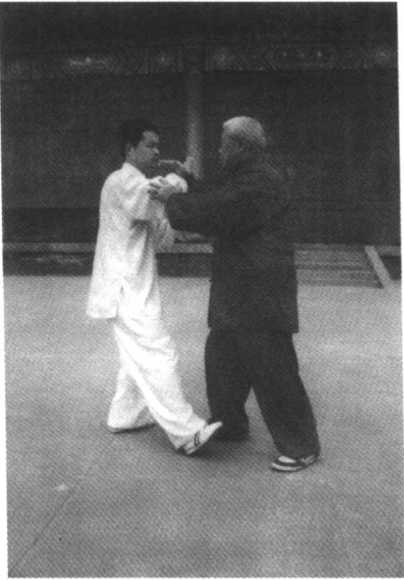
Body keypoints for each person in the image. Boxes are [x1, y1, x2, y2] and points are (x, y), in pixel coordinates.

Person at [150, 116, 320, 472]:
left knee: (273, 366)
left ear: (240, 147)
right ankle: (230, 424)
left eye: (223, 145)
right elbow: (218, 197)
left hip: (260, 289)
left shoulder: (261, 181)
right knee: (222, 357)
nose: (218, 151)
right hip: (240, 286)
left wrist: (174, 199)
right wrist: (190, 182)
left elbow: (220, 211)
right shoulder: (247, 176)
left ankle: (302, 446)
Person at [86, 118, 222, 455]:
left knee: (136, 356)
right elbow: (157, 195)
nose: (157, 151)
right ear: (129, 148)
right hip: (125, 289)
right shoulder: (122, 181)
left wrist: (172, 202)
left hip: (132, 285)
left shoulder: (136, 186)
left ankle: (125, 416)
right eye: (150, 145)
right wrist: (183, 176)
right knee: (158, 353)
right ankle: (186, 432)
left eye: (158, 145)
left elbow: (161, 232)